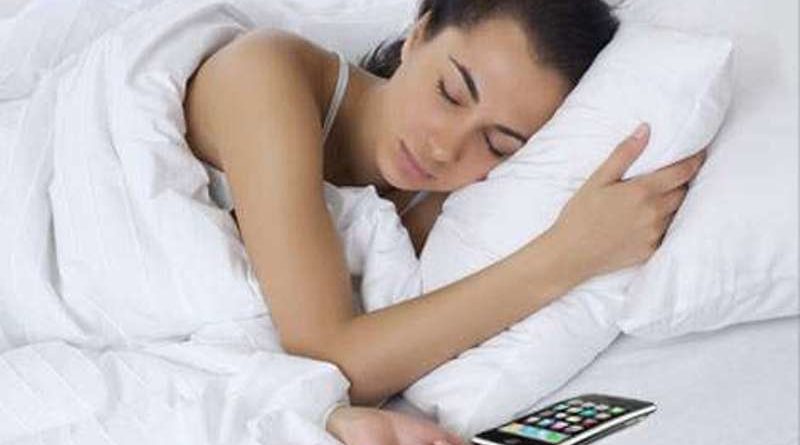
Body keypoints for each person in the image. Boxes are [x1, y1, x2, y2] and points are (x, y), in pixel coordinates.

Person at [182, 0, 707, 443]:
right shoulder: (264, 74)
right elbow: (329, 357)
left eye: (497, 143)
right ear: (418, 33)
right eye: (451, 93)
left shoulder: (444, 210)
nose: (444, 148)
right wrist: (567, 255)